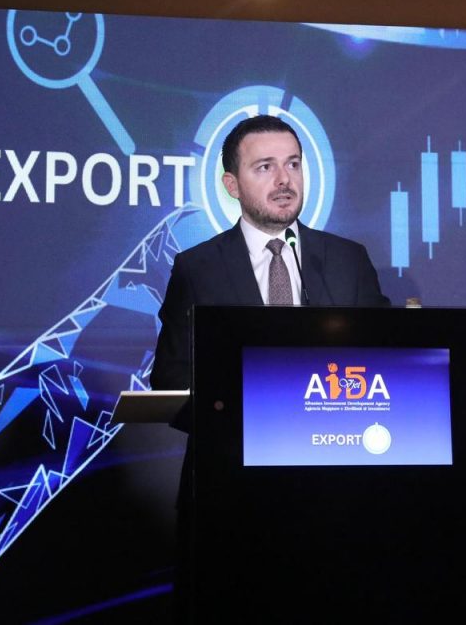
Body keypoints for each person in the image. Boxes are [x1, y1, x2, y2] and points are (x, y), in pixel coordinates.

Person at [150, 114, 388, 622]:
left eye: (293, 164)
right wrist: (256, 418)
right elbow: (170, 378)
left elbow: (385, 365)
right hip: (231, 499)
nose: (284, 180)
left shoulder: (347, 260)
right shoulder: (197, 268)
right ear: (231, 184)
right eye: (265, 167)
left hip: (340, 497)